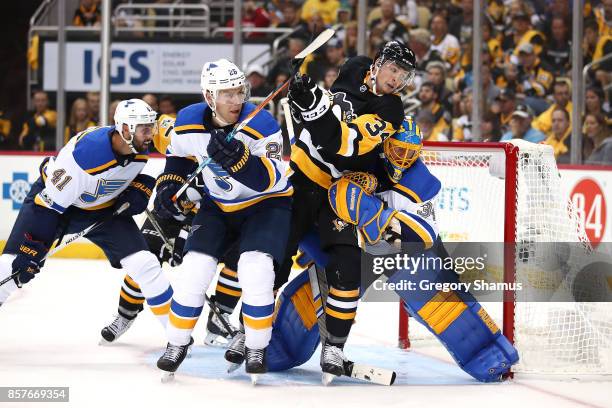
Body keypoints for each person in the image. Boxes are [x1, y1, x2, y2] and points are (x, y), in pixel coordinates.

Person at [275, 41, 415, 380]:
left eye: (404, 75)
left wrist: (312, 107)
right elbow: (326, 112)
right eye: (394, 69)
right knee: (273, 257)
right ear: (379, 63)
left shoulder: (391, 111)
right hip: (303, 177)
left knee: (348, 268)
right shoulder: (354, 67)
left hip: (338, 193)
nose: (396, 79)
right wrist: (303, 94)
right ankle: (250, 332)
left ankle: (334, 348)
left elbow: (342, 142)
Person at [153, 59, 291, 381]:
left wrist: (241, 161)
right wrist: (169, 184)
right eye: (226, 94)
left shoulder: (263, 123)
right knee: (194, 271)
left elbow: (269, 181)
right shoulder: (187, 121)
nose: (236, 100)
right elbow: (179, 156)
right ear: (209, 96)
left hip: (266, 204)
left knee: (255, 269)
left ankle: (257, 346)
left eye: (239, 92)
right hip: (219, 205)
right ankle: (177, 342)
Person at [0, 100, 174, 337]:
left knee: (146, 264)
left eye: (151, 126)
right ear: (125, 130)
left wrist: (142, 186)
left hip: (104, 208)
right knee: (12, 267)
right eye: (144, 128)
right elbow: (48, 207)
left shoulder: (138, 143)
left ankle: (178, 338)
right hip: (54, 206)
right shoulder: (86, 156)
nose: (150, 134)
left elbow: (180, 147)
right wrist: (32, 250)